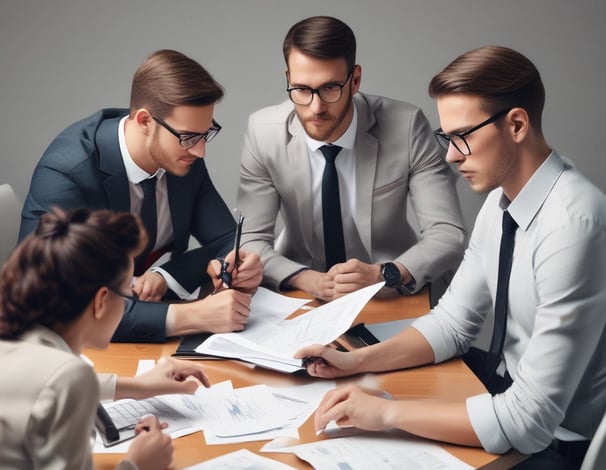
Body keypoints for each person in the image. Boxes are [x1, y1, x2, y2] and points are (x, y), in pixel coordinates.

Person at [296, 45, 606, 469]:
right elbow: (454, 324)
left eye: (463, 136)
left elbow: (530, 421)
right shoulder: (503, 202)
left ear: (516, 124)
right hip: (498, 392)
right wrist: (353, 361)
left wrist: (385, 414)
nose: (450, 155)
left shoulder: (575, 226)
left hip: (553, 445)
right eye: (447, 138)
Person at [18, 49, 263, 343]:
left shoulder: (181, 153)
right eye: (188, 137)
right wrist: (191, 316)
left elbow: (225, 239)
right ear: (145, 121)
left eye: (205, 133)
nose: (200, 151)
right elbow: (53, 299)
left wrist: (169, 276)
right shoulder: (66, 172)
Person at [237, 16, 465, 304]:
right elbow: (249, 241)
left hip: (390, 290)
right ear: (288, 80)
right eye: (302, 90)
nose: (315, 107)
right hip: (300, 291)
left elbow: (448, 234)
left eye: (330, 87)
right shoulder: (263, 132)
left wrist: (385, 274)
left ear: (355, 80)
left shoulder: (406, 126)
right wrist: (309, 279)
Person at [0, 207, 202, 469]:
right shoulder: (67, 376)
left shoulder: (18, 342)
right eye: (128, 292)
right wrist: (138, 464)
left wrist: (139, 386)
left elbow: (40, 386)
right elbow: (61, 383)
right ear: (101, 301)